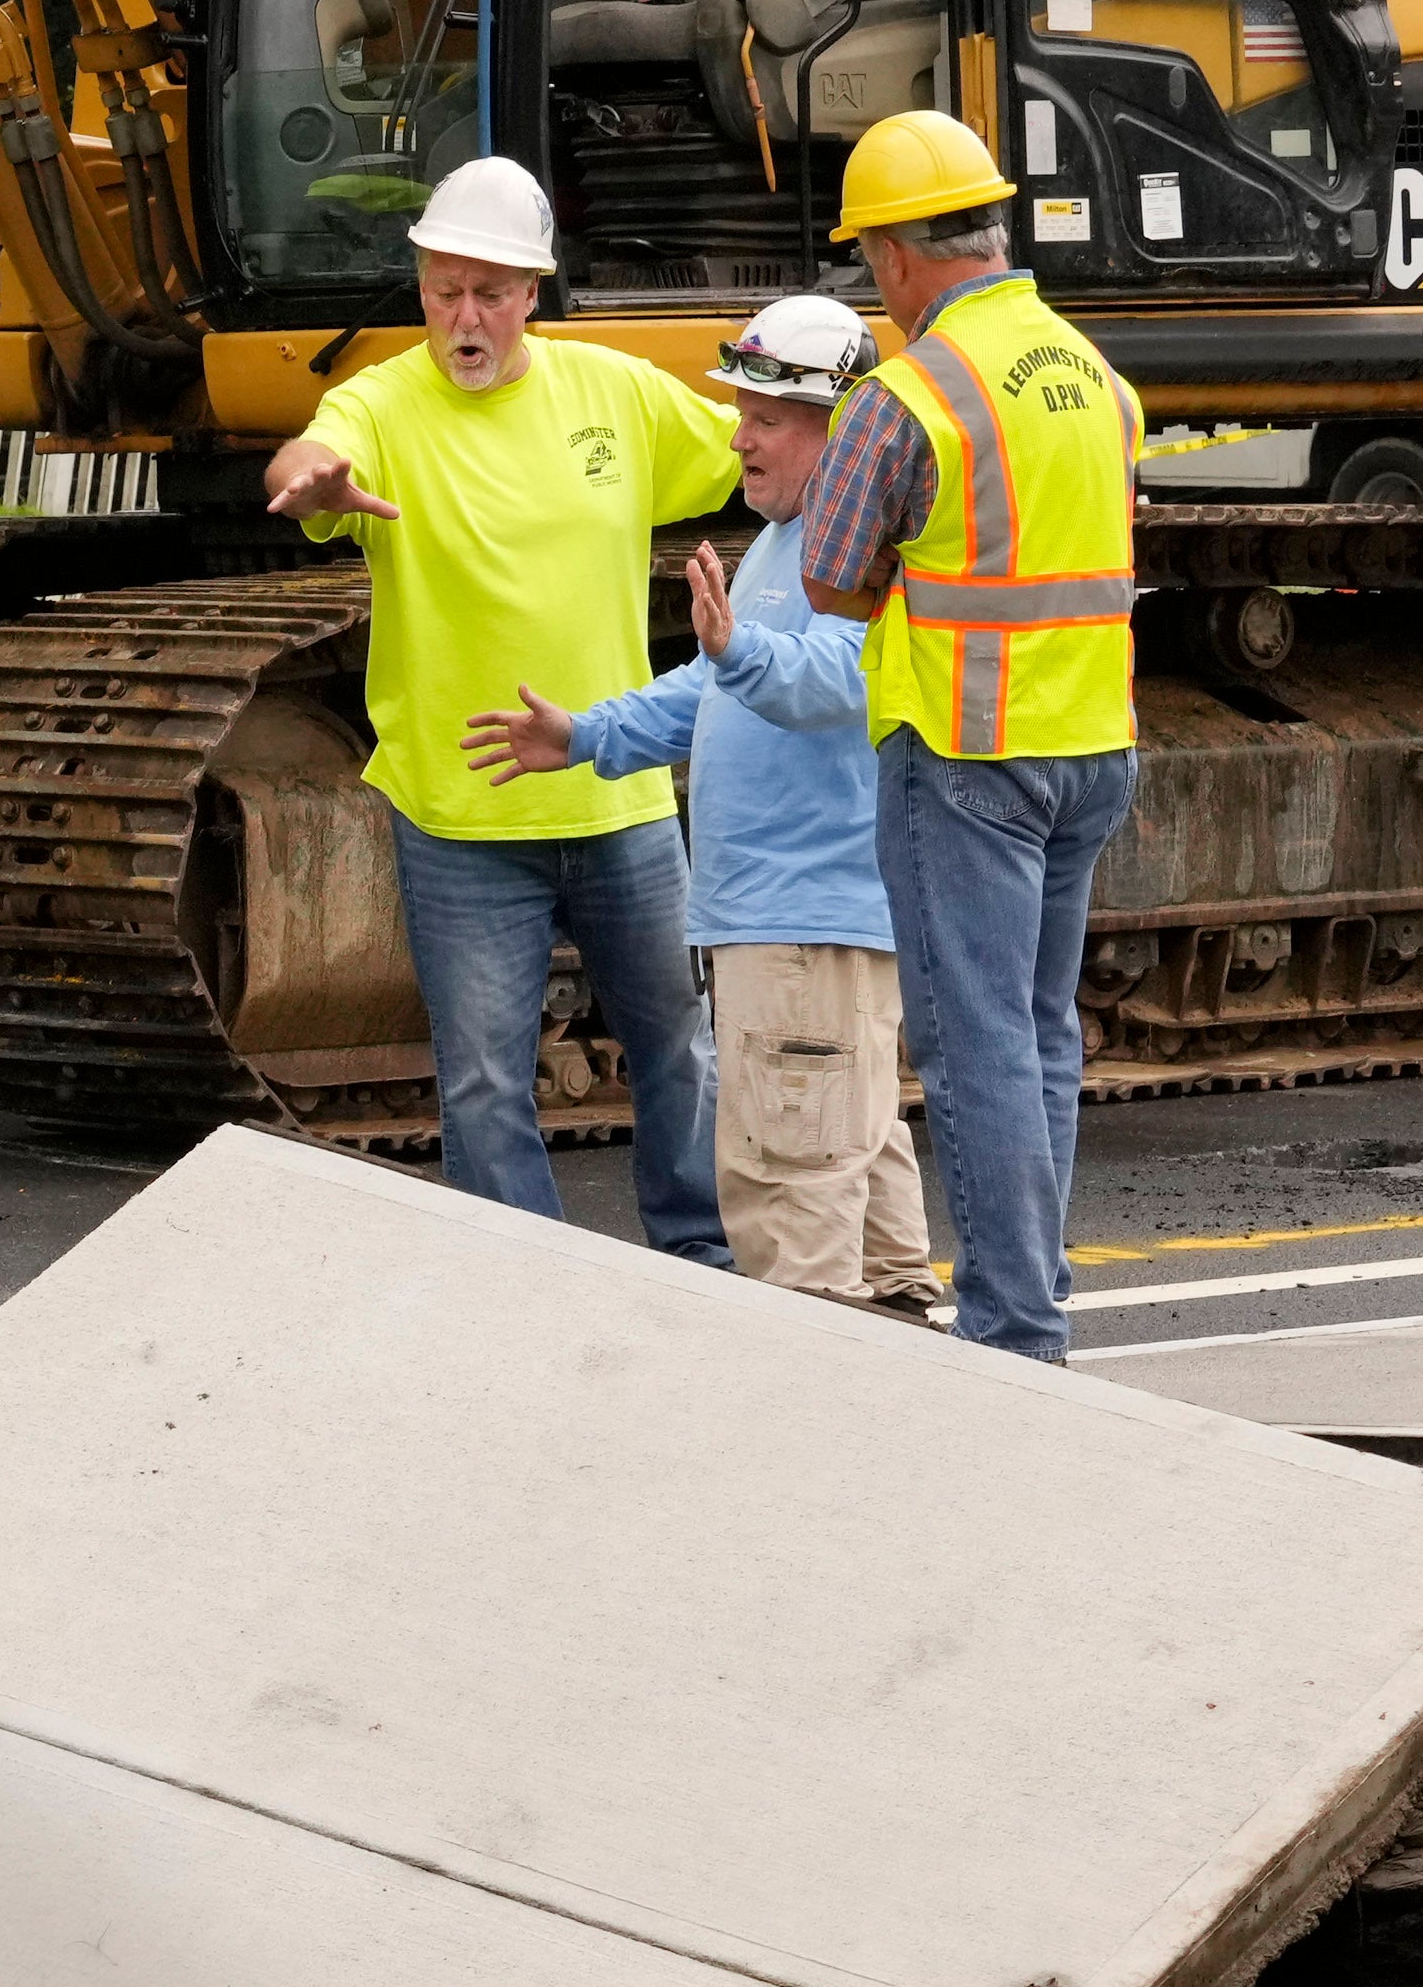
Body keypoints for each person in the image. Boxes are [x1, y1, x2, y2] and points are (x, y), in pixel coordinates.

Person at [263, 155, 740, 1244]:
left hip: (614, 799)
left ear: (532, 292)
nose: (462, 317)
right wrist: (308, 484)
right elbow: (309, 453)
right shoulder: (378, 401)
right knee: (481, 1078)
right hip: (462, 816)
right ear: (421, 285)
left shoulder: (612, 394)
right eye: (442, 291)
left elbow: (751, 452)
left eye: (487, 293)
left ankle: (699, 1253)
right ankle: (518, 1278)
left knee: (677, 1043)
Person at [458, 294, 935, 1315]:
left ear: (837, 428)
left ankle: (802, 1431)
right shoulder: (791, 540)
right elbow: (716, 686)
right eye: (740, 411)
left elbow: (838, 680)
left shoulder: (855, 549)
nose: (738, 436)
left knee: (788, 1190)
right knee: (849, 1156)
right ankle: (895, 1356)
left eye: (764, 416)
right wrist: (586, 735)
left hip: (801, 927)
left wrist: (735, 649)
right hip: (796, 924)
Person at [792, 109, 1141, 1361]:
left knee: (975, 1041)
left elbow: (829, 578)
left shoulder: (907, 393)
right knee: (1040, 1032)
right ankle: (1032, 1297)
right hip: (1090, 739)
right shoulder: (1094, 375)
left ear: (894, 256)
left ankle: (1012, 1333)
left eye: (869, 262)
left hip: (964, 747)